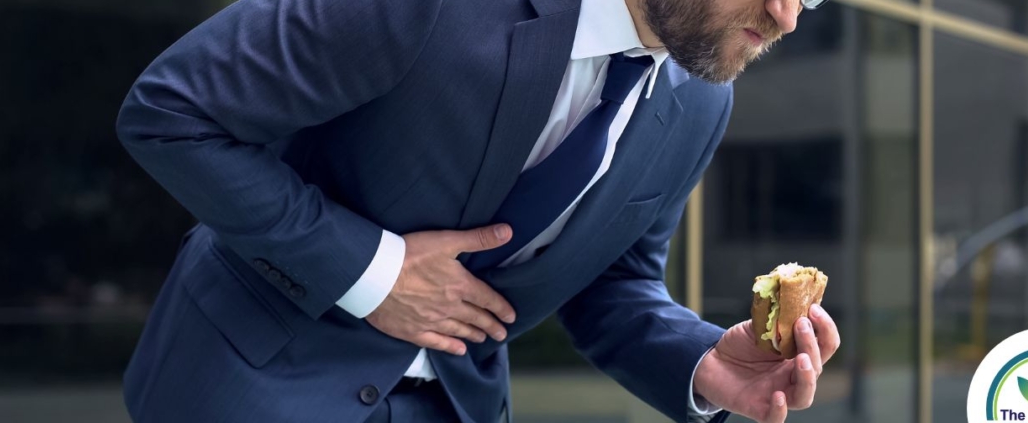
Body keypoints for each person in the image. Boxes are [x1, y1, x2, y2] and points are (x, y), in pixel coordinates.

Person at [115, 0, 841, 422]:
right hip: (252, 385)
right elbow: (173, 111)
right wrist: (374, 272)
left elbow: (612, 283)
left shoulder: (702, 103)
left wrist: (703, 359)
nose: (785, 16)